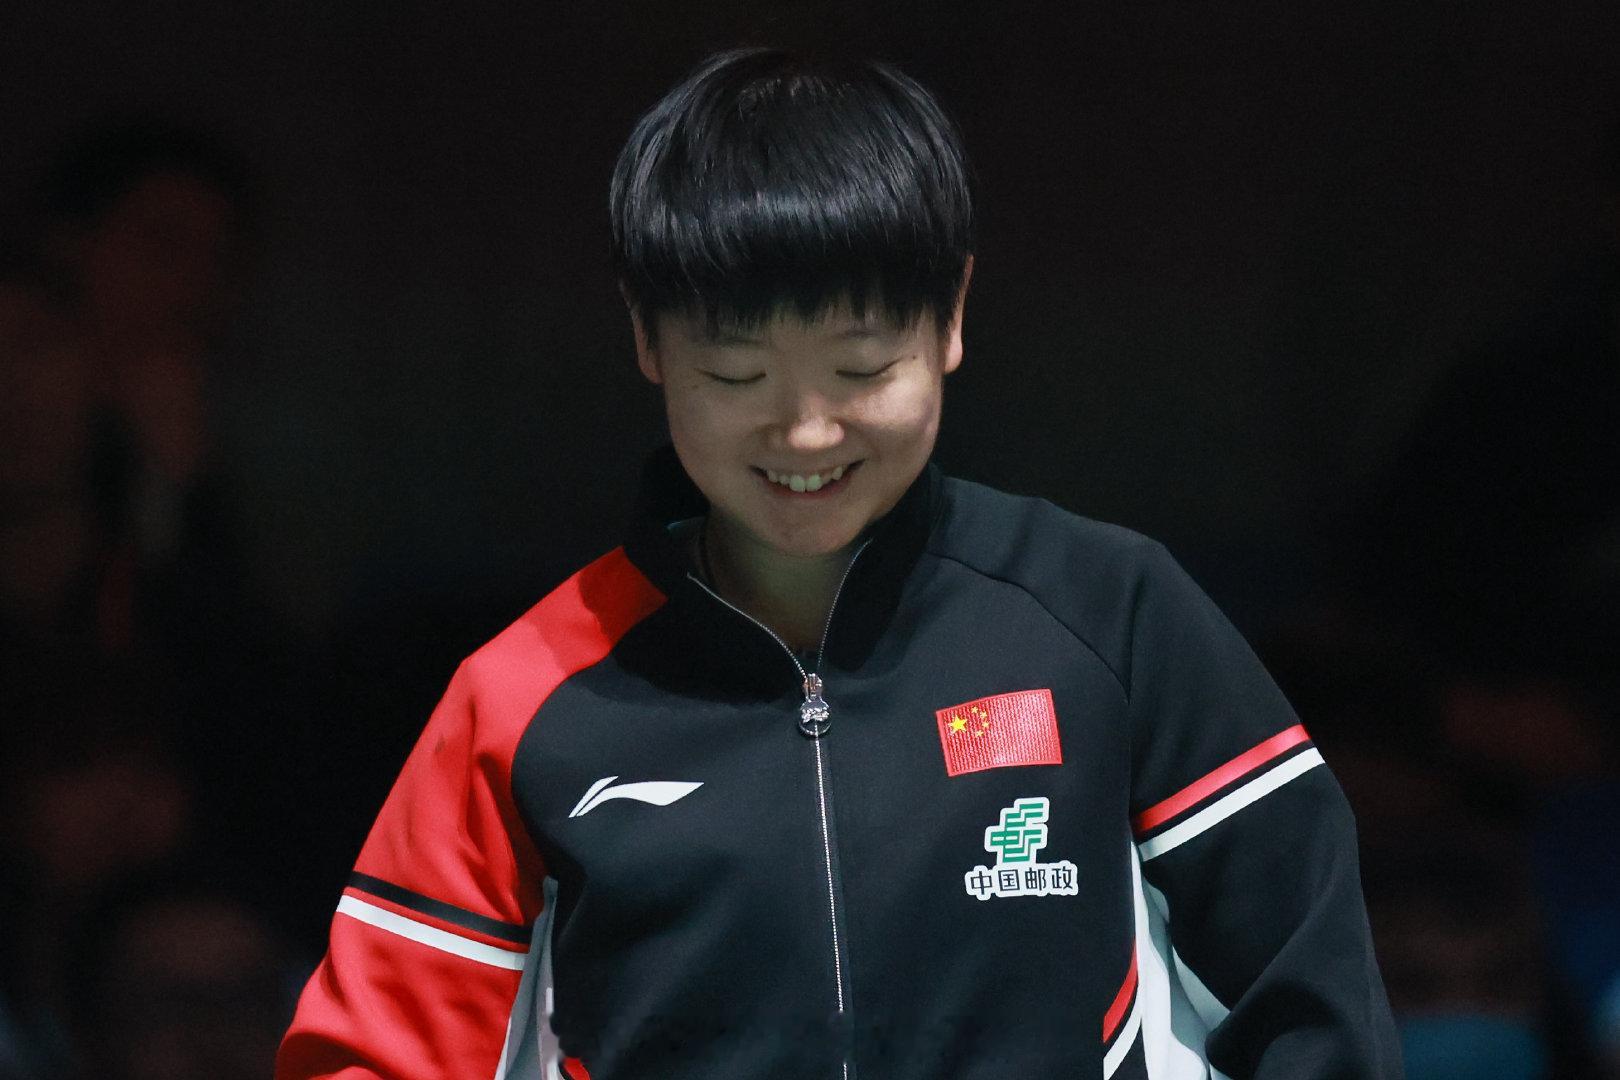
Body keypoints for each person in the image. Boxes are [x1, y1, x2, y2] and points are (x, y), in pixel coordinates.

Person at [277, 48, 1400, 1079]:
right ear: (647, 338)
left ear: (950, 317)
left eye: (861, 368)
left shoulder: (1114, 618)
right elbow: (372, 1058)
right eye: (736, 377)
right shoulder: (521, 699)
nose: (807, 432)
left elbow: (1313, 1003)